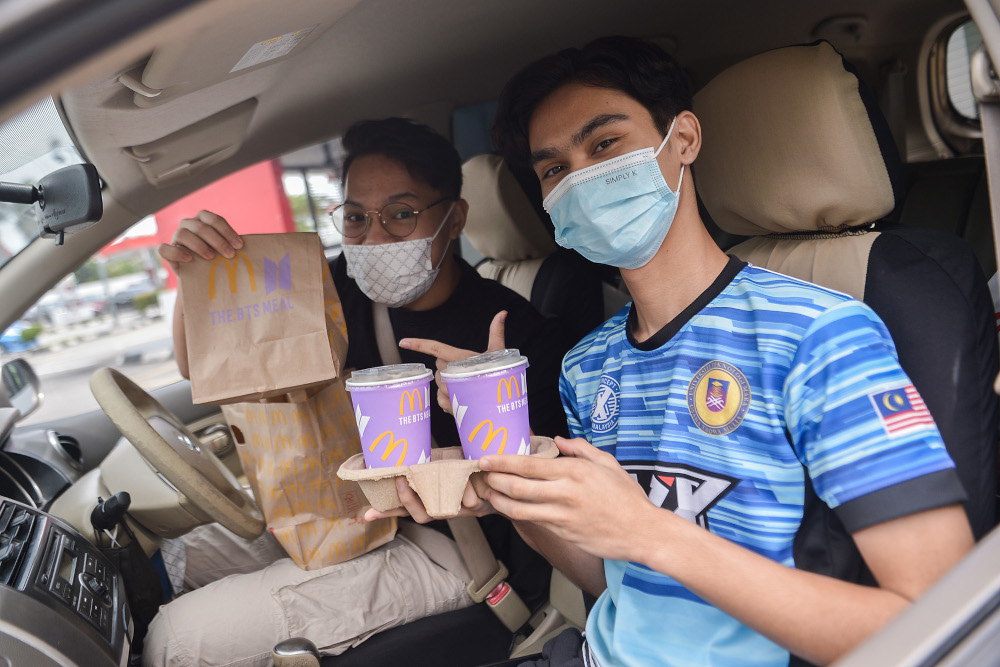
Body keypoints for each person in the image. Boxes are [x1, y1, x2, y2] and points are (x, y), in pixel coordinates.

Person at [382, 37, 976, 666]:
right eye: (554, 168)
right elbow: (624, 586)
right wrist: (509, 483)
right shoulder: (587, 367)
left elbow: (942, 618)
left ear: (684, 140)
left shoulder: (819, 334)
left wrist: (648, 529)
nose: (581, 177)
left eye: (605, 144)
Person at [145, 117, 568, 666]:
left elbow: (543, 482)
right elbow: (207, 365)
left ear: (455, 217)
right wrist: (196, 278)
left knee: (178, 639)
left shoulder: (510, 331)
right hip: (336, 508)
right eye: (354, 217)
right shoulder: (331, 288)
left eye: (400, 214)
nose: (373, 237)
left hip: (453, 549)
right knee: (172, 560)